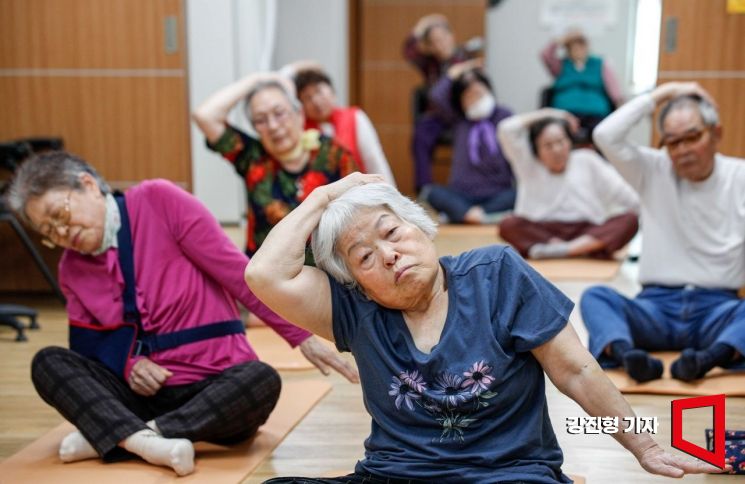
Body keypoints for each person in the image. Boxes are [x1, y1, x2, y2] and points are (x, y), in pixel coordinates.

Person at [244, 172, 724, 482]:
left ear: (422, 228)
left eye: (392, 233)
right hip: (397, 476)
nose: (388, 255)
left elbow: (575, 371)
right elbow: (262, 274)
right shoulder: (354, 308)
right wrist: (325, 196)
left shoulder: (496, 274)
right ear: (359, 284)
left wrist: (644, 445)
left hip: (509, 474)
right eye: (364, 257)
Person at [6, 152, 358, 475]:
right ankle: (149, 442)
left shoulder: (158, 199)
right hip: (141, 396)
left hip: (212, 386)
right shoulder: (71, 268)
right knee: (48, 362)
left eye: (60, 216)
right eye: (49, 233)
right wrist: (129, 365)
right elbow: (87, 346)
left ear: (86, 184)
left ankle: (130, 438)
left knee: (261, 381)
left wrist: (299, 335)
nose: (63, 233)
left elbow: (238, 272)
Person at [580, 82, 745, 383]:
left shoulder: (740, 176)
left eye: (692, 137)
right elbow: (605, 134)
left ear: (716, 133)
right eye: (672, 141)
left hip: (717, 309)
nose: (682, 150)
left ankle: (708, 360)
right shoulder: (653, 169)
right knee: (596, 296)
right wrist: (665, 92)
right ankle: (630, 357)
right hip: (655, 307)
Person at [192, 72, 360, 263]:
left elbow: (361, 210)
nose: (272, 126)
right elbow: (205, 115)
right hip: (264, 276)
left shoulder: (333, 154)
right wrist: (257, 78)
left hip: (324, 274)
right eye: (260, 120)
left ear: (299, 114)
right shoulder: (252, 156)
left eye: (279, 113)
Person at [497, 108, 639, 259]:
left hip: (586, 231)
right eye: (548, 145)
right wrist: (552, 113)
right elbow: (506, 129)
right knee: (509, 224)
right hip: (543, 230)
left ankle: (564, 250)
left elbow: (622, 192)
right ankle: (581, 250)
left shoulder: (587, 159)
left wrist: (648, 211)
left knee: (629, 220)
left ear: (570, 141)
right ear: (536, 150)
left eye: (560, 142)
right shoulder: (529, 165)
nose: (557, 150)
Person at [420, 61, 516, 224]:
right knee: (430, 192)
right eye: (468, 97)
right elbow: (436, 96)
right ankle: (477, 216)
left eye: (478, 93)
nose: (475, 100)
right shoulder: (459, 120)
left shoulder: (503, 115)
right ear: (461, 103)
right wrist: (456, 72)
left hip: (497, 192)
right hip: (462, 193)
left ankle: (466, 215)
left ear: (489, 92)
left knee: (517, 195)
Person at [280, 61, 396, 186]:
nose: (316, 101)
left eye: (318, 91)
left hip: (359, 193)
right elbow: (279, 86)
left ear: (332, 91)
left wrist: (390, 195)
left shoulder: (355, 117)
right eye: (307, 98)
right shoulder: (300, 128)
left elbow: (375, 162)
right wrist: (293, 68)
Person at [403, 13, 480, 192]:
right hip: (437, 116)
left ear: (451, 37)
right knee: (421, 133)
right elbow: (409, 50)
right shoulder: (430, 62)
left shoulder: (465, 59)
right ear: (430, 46)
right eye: (435, 41)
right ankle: (425, 189)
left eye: (443, 38)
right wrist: (423, 25)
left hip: (460, 116)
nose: (440, 44)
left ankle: (466, 188)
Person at [541, 30, 623, 144]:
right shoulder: (560, 65)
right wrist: (562, 39)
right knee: (557, 134)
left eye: (581, 45)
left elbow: (615, 91)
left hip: (596, 114)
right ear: (568, 49)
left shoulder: (600, 64)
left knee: (602, 135)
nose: (578, 49)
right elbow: (545, 55)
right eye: (573, 46)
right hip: (566, 113)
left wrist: (620, 110)